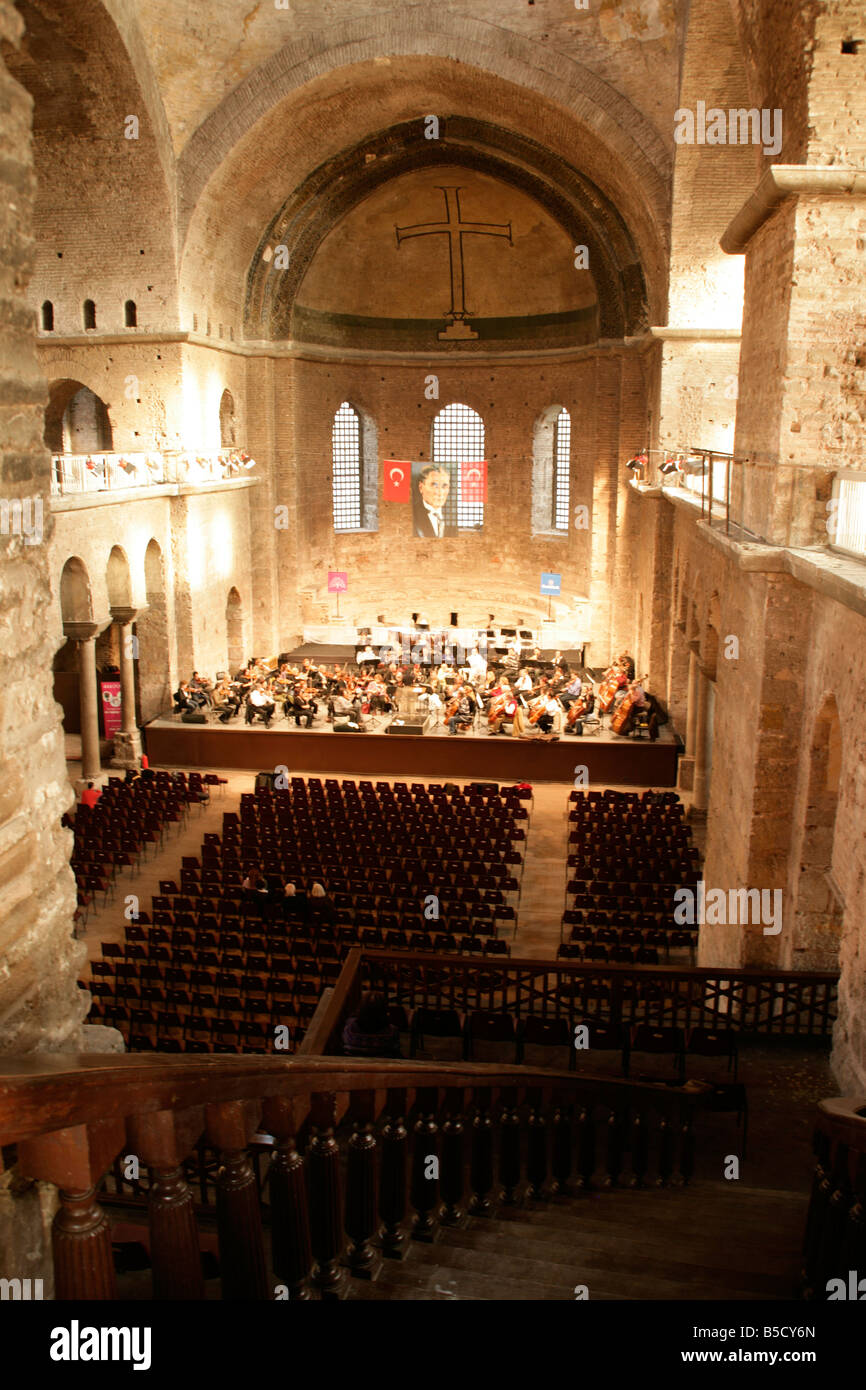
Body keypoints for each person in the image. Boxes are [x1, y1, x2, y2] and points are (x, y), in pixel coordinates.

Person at [342, 992, 401, 1058]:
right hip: (382, 1065)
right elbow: (395, 1052)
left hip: (351, 1064)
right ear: (385, 1010)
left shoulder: (350, 1027)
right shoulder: (391, 1031)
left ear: (361, 1007)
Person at [412, 465, 457, 538]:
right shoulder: (412, 515)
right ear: (421, 487)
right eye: (434, 485)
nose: (440, 492)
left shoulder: (454, 516)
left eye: (444, 486)